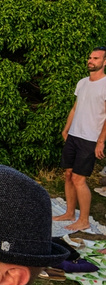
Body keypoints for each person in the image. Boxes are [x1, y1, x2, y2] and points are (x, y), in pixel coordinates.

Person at [54, 47, 106, 232]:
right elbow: (75, 108)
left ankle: (83, 220)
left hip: (90, 138)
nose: (91, 60)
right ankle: (69, 213)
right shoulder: (82, 82)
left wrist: (101, 141)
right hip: (74, 135)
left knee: (78, 179)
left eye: (96, 58)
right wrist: (66, 128)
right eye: (90, 57)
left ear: (104, 62)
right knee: (68, 175)